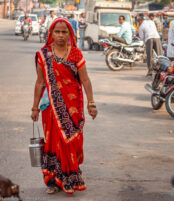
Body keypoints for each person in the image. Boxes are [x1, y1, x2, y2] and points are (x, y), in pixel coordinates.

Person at [31, 19, 98, 194]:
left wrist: (91, 103)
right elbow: (39, 83)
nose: (60, 35)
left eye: (64, 32)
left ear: (70, 34)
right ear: (51, 33)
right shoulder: (43, 55)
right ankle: (53, 181)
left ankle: (70, 177)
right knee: (52, 142)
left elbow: (85, 80)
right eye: (57, 32)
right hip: (51, 108)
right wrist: (34, 107)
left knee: (71, 142)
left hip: (73, 107)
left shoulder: (76, 54)